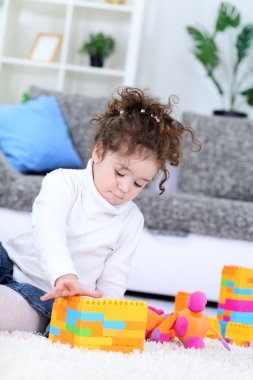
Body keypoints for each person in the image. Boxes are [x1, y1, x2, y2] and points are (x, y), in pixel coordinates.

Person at [0, 87, 200, 334]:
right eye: (120, 173)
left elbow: (113, 281)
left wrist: (103, 316)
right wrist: (64, 275)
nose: (125, 188)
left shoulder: (131, 220)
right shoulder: (62, 182)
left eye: (139, 184)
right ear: (98, 151)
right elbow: (48, 233)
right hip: (10, 263)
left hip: (45, 298)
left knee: (18, 313)